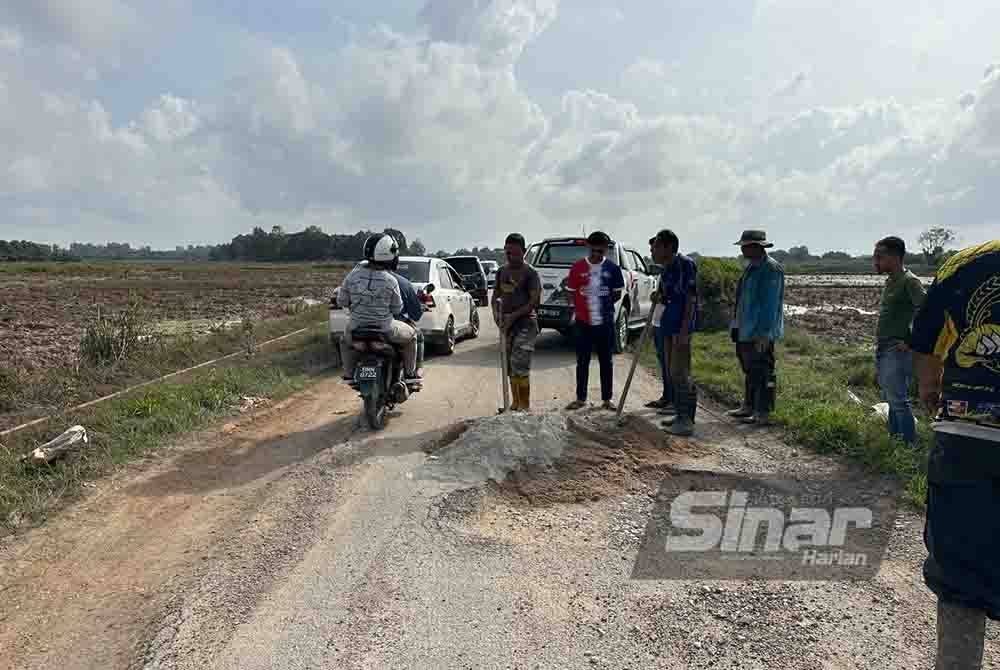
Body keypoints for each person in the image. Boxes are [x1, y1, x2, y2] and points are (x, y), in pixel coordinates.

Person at [910, 240, 1000, 670]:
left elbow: (925, 340)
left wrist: (931, 389)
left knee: (960, 570)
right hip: (966, 437)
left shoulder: (966, 263)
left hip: (967, 436)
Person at [338, 234, 418, 381]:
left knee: (343, 340)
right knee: (412, 337)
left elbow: (342, 301)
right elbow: (397, 309)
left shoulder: (352, 276)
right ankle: (410, 375)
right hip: (385, 329)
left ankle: (348, 375)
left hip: (356, 328)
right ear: (389, 254)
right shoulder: (391, 280)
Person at [873, 236, 926, 446]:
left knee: (898, 401)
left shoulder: (910, 281)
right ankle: (896, 444)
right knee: (891, 399)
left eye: (879, 257)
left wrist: (911, 341)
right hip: (885, 347)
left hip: (897, 348)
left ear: (895, 257)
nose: (875, 262)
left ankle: (909, 446)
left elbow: (926, 311)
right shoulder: (891, 281)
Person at [728, 230, 785, 426]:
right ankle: (749, 406)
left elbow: (770, 305)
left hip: (760, 331)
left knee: (763, 370)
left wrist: (764, 334)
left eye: (746, 246)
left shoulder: (771, 269)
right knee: (749, 368)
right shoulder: (751, 267)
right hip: (745, 327)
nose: (742, 250)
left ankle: (763, 411)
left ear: (757, 247)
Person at [564, 231, 625, 411]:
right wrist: (577, 308)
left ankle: (607, 399)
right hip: (583, 323)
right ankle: (580, 398)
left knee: (606, 361)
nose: (597, 254)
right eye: (594, 250)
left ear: (606, 249)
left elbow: (617, 293)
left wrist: (602, 303)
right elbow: (570, 292)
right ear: (588, 247)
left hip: (605, 323)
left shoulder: (613, 269)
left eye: (601, 251)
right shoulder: (577, 268)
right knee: (582, 361)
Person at [649, 229, 699, 436]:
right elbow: (668, 297)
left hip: (680, 327)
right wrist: (658, 296)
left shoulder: (685, 265)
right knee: (672, 372)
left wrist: (685, 330)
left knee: (680, 372)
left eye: (655, 247)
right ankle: (680, 414)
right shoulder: (666, 269)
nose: (652, 252)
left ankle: (686, 421)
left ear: (668, 247)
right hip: (668, 325)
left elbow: (690, 299)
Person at [493, 233, 542, 412]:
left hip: (526, 324)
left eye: (515, 253)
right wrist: (497, 317)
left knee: (519, 364)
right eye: (508, 253)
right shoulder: (502, 272)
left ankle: (524, 406)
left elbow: (534, 302)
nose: (511, 257)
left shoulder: (530, 273)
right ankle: (514, 404)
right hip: (507, 325)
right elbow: (495, 297)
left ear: (523, 251)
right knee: (509, 366)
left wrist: (513, 316)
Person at [645, 237, 674, 412]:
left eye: (654, 249)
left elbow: (678, 298)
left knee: (671, 364)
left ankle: (675, 401)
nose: (651, 253)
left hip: (669, 324)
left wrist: (661, 297)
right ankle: (667, 396)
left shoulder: (676, 269)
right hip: (658, 321)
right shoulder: (663, 271)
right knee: (663, 362)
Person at [389, 256, 425, 375]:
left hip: (361, 324)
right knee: (418, 335)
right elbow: (415, 314)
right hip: (390, 324)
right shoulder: (402, 283)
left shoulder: (358, 279)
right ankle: (414, 371)